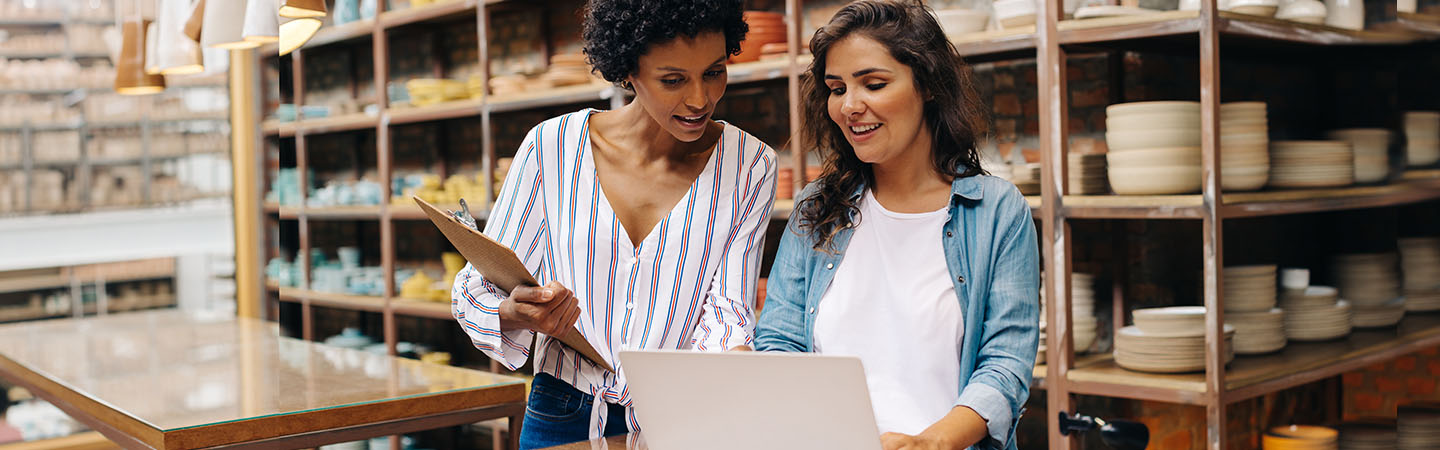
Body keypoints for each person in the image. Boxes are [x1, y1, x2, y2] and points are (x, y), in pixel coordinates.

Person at [450, 0, 775, 448]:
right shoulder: (553, 147)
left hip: (679, 416)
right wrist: (516, 310)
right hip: (561, 410)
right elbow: (478, 288)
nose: (700, 99)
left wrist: (743, 373)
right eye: (673, 80)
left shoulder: (751, 164)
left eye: (714, 72)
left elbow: (728, 310)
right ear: (628, 70)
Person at [753, 1, 1039, 449]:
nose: (849, 106)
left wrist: (931, 443)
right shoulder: (817, 207)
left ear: (926, 85)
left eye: (873, 83)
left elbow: (1005, 365)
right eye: (836, 87)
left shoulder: (997, 212)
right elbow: (779, 339)